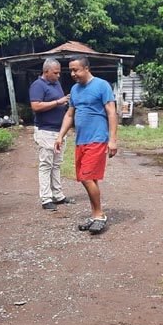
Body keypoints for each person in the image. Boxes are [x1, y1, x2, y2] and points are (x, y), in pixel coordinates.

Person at [55, 56, 117, 234]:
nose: (72, 74)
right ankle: (94, 214)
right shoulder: (75, 89)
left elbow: (111, 112)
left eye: (76, 70)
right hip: (81, 140)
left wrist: (113, 140)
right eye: (71, 70)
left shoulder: (102, 85)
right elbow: (70, 115)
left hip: (97, 138)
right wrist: (60, 136)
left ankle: (99, 215)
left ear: (86, 68)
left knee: (86, 177)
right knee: (91, 178)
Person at [29, 58, 74, 211]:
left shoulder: (56, 84)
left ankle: (58, 195)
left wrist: (65, 104)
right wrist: (58, 102)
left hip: (59, 131)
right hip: (45, 131)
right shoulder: (38, 85)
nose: (58, 75)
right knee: (46, 165)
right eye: (55, 73)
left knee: (57, 165)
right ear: (46, 71)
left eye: (59, 73)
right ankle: (46, 198)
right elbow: (35, 106)